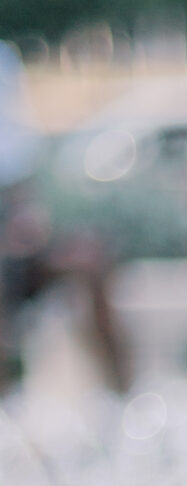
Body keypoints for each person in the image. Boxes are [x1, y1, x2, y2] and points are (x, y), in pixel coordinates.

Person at [0, 43, 131, 398]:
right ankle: (9, 404)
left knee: (90, 258)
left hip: (13, 244)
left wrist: (27, 223)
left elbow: (20, 182)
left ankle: (123, 402)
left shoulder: (3, 62)